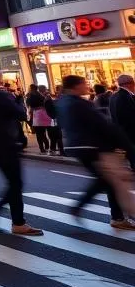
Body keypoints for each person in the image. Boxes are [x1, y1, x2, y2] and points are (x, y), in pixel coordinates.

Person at [56, 74, 135, 229]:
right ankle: (117, 217)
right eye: (84, 83)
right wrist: (126, 145)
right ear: (76, 86)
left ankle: (82, 208)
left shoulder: (63, 102)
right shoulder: (79, 103)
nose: (87, 85)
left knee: (104, 180)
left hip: (76, 146)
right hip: (92, 146)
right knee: (109, 180)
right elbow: (103, 125)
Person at [0, 66, 42, 237]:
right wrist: (14, 99)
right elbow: (20, 113)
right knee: (16, 183)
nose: (1, 78)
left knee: (14, 182)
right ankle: (16, 221)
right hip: (5, 143)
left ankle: (1, 212)